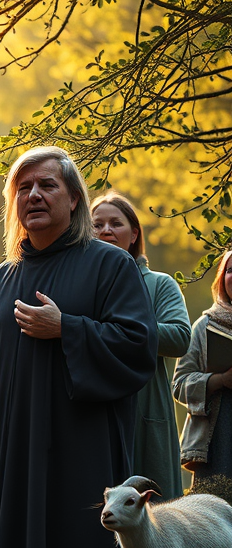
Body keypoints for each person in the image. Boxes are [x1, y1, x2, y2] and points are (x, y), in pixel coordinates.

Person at [0, 146, 157, 548]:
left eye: (47, 185)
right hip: (15, 455)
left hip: (83, 447)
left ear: (74, 200)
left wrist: (67, 328)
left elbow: (138, 345)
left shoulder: (110, 265)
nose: (33, 195)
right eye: (23, 188)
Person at [91, 191, 190, 503]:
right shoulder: (81, 285)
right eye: (97, 224)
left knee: (156, 522)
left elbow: (179, 336)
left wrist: (124, 332)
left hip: (145, 409)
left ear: (133, 234)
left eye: (115, 223)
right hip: (92, 409)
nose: (105, 230)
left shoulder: (159, 284)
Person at [173, 250, 232, 486]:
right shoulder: (204, 327)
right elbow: (179, 385)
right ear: (222, 279)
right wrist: (219, 380)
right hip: (216, 444)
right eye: (230, 270)